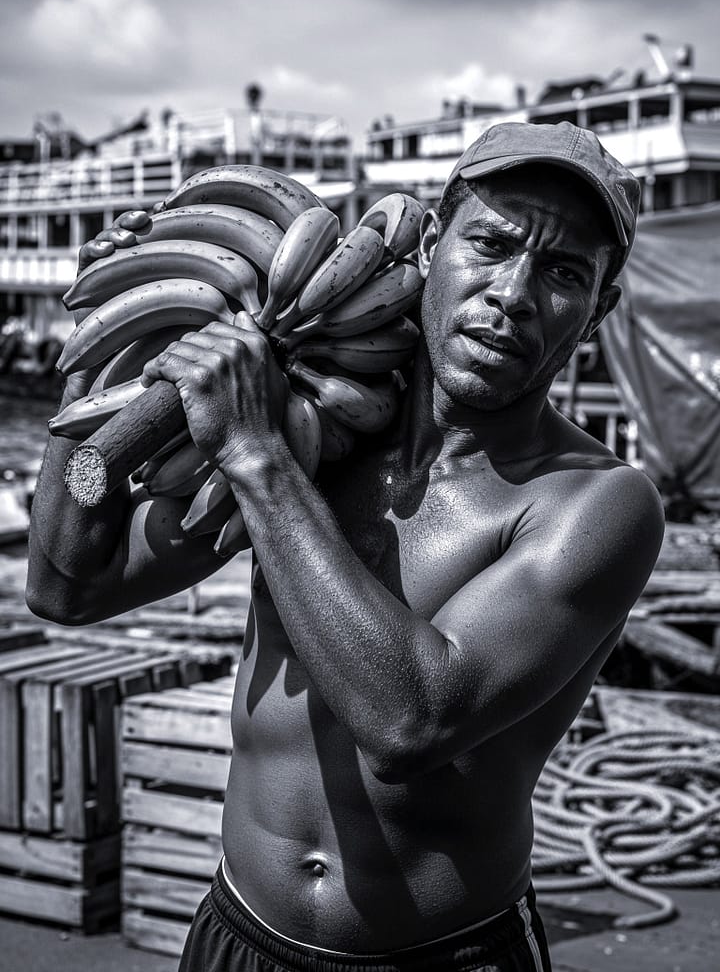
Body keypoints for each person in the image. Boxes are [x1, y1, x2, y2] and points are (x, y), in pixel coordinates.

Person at [27, 121, 665, 972]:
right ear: (434, 247)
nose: (511, 293)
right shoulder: (320, 431)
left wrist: (254, 455)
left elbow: (411, 720)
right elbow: (71, 587)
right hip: (237, 933)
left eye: (562, 272)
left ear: (599, 309)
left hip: (444, 955)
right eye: (492, 244)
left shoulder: (597, 503)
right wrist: (104, 344)